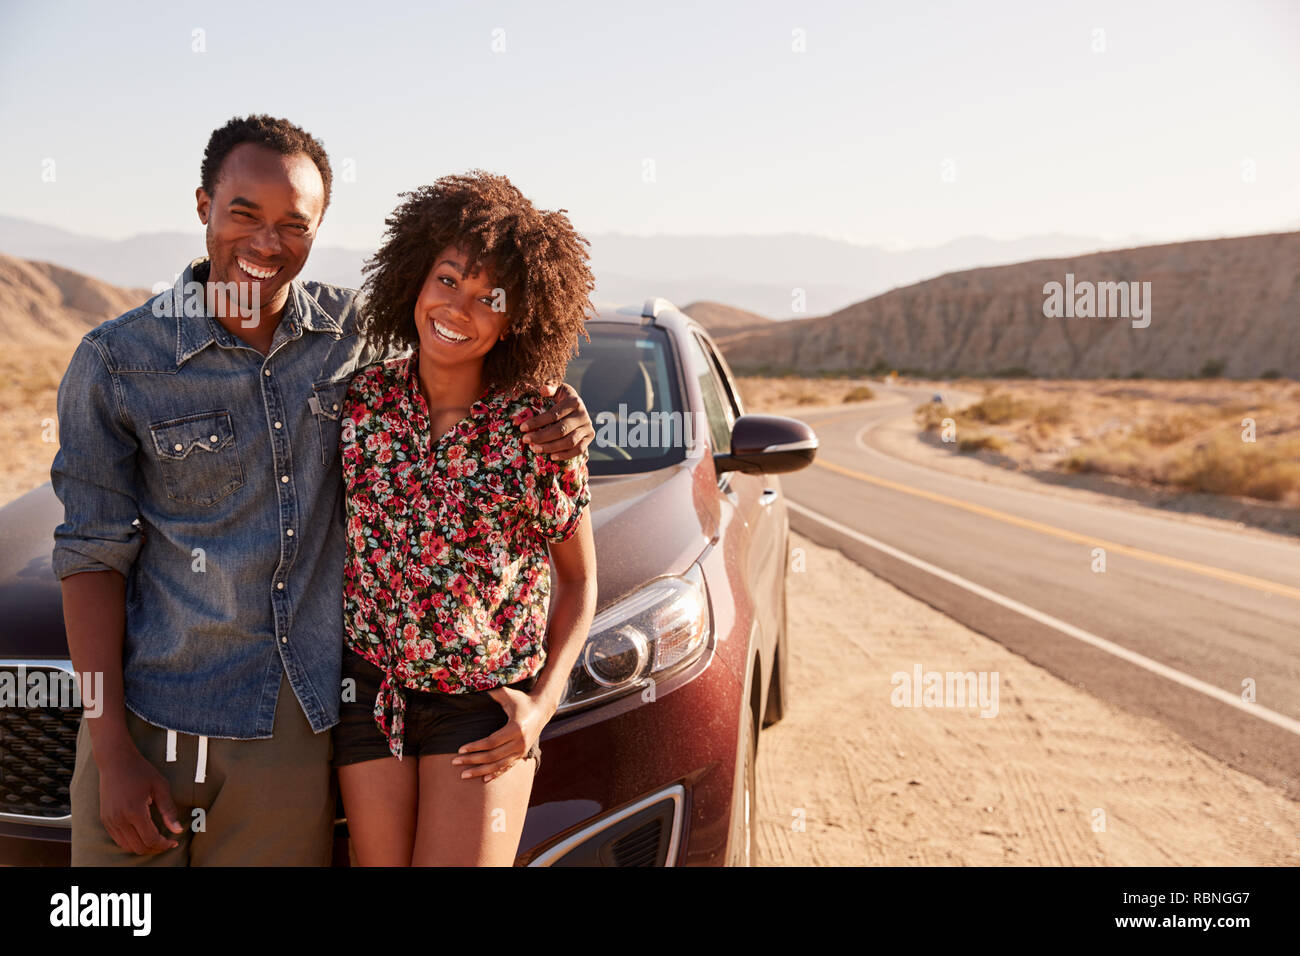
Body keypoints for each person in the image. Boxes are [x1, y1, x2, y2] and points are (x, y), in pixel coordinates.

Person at [51, 115, 595, 866]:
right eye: (244, 213)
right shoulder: (115, 362)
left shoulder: (354, 340)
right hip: (155, 720)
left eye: (293, 225)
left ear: (319, 231)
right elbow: (90, 556)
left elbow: (465, 346)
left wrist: (564, 403)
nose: (267, 243)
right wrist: (109, 749)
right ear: (203, 202)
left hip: (296, 734)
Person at [332, 172, 599, 866]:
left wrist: (541, 707)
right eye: (447, 280)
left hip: (482, 708)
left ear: (518, 320)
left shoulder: (538, 428)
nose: (460, 306)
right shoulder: (362, 403)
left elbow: (579, 583)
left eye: (491, 298)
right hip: (371, 696)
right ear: (415, 282)